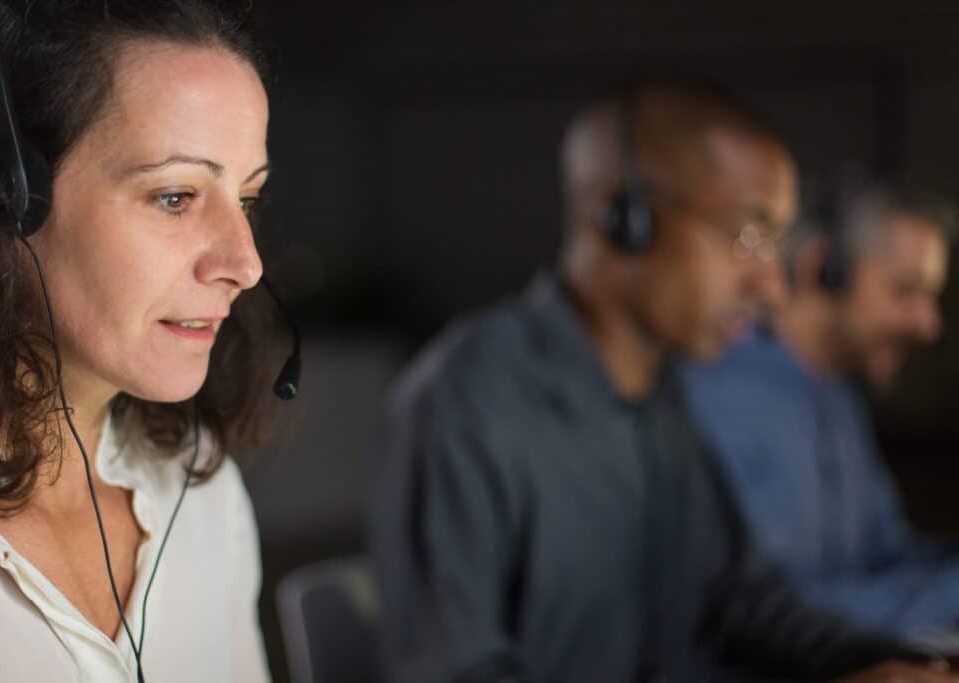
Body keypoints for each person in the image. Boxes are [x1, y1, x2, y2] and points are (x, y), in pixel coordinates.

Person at [369, 84, 959, 682]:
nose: (771, 287)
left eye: (775, 247)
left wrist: (875, 664)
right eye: (747, 235)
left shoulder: (661, 395)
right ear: (626, 220)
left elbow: (741, 600)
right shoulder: (465, 403)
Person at [0, 1, 283, 680]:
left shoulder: (204, 489)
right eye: (176, 196)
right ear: (9, 196)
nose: (245, 264)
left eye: (247, 199)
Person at [681, 178, 959, 638]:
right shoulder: (720, 395)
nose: (928, 324)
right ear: (822, 268)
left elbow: (884, 555)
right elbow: (764, 613)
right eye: (905, 291)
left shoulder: (841, 399)